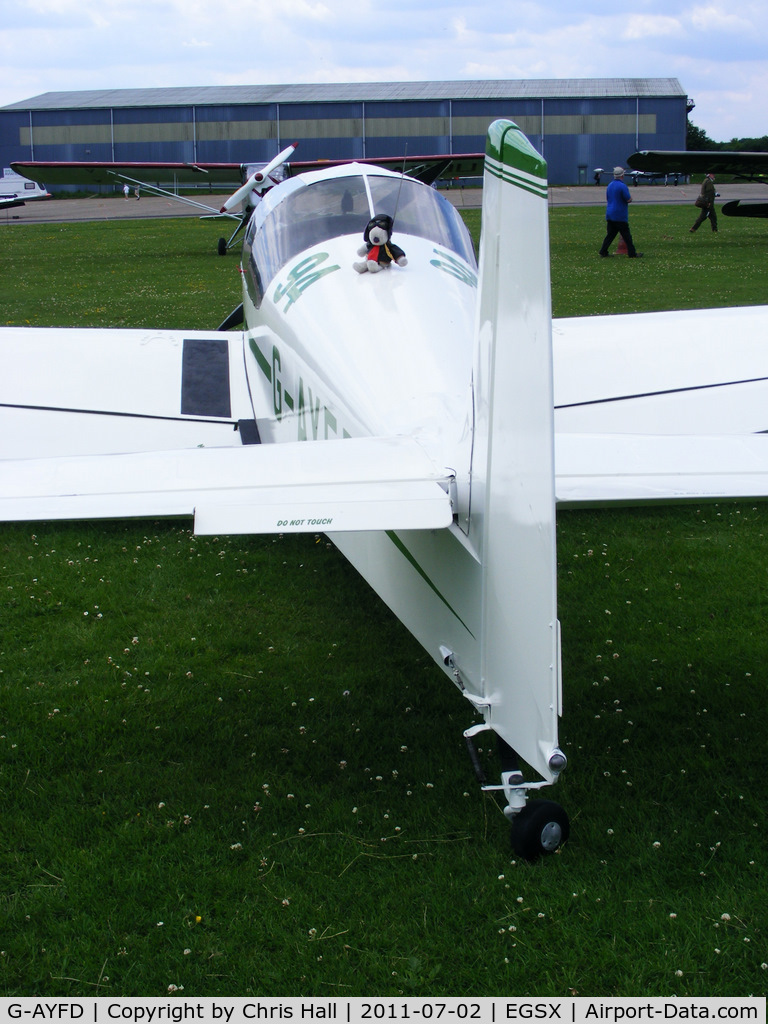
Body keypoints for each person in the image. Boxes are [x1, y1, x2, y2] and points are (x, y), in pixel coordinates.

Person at [599, 167, 642, 258]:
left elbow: (608, 198)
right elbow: (628, 199)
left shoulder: (610, 185)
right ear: (622, 175)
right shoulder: (622, 186)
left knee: (610, 235)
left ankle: (603, 251)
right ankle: (632, 253)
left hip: (610, 213)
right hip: (619, 214)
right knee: (626, 236)